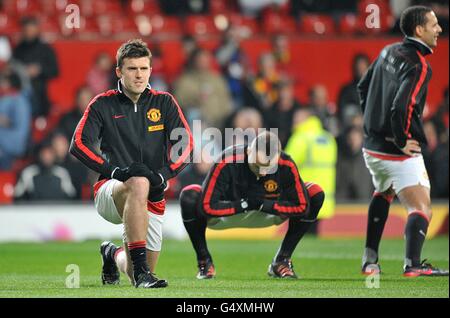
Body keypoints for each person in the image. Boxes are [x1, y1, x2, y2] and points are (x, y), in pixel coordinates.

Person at [69, 39, 194, 288]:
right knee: (137, 181)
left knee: (134, 267)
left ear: (150, 70)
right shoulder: (102, 103)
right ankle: (144, 277)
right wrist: (113, 172)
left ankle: (113, 254)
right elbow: (78, 144)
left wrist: (163, 176)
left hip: (153, 193)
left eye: (144, 69)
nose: (139, 75)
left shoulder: (165, 102)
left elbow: (186, 145)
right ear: (119, 71)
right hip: (111, 191)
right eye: (132, 69)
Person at [357, 6, 448, 277]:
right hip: (396, 152)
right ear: (419, 30)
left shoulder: (387, 50)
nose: (439, 29)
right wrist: (399, 140)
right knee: (421, 208)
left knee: (383, 192)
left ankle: (370, 261)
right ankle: (414, 265)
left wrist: (372, 125)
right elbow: (402, 106)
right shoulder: (419, 65)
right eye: (434, 25)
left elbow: (363, 86)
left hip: (371, 147)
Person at [179, 131, 325, 279]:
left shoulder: (286, 163)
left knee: (315, 193)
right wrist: (245, 204)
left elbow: (302, 206)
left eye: (269, 168)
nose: (262, 173)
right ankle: (204, 261)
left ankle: (282, 260)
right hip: (227, 214)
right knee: (189, 196)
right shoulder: (228, 160)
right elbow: (207, 206)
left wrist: (264, 205)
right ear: (249, 152)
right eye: (258, 165)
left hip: (268, 213)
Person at [285, 108, 337, 233]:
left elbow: (286, 165)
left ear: (306, 119)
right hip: (323, 196)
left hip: (303, 195)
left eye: (297, 118)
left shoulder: (301, 138)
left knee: (296, 237)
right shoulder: (328, 138)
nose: (294, 121)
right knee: (313, 233)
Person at [12, 16, 59, 117]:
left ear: (37, 30)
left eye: (31, 29)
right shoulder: (18, 49)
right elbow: (12, 68)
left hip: (39, 92)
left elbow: (55, 71)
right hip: (19, 92)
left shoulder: (46, 49)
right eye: (26, 29)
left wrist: (39, 70)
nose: (29, 32)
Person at [0, 69, 31, 170]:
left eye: (3, 81)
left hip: (9, 147)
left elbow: (20, 124)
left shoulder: (19, 100)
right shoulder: (6, 97)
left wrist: (4, 121)